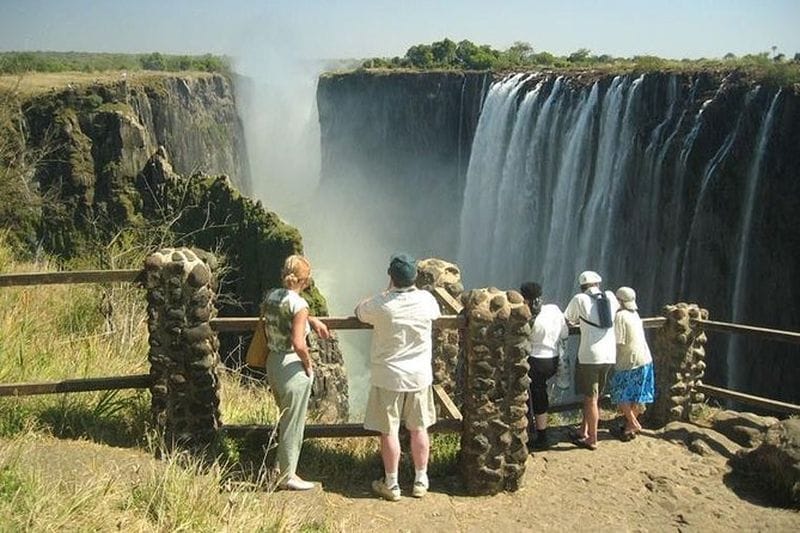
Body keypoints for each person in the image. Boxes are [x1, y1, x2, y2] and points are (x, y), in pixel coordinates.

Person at [354, 253, 441, 501]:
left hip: (388, 376)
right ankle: (421, 480)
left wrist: (385, 291)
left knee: (389, 431)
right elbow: (435, 314)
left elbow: (359, 310)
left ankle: (392, 484)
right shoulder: (427, 300)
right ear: (415, 276)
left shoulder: (381, 304)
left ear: (391, 277)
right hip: (419, 376)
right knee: (419, 428)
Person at [261, 254, 330, 490]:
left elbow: (285, 313)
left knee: (285, 419)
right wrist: (308, 365)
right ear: (304, 280)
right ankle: (288, 476)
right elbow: (299, 343)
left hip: (273, 362)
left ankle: (281, 469)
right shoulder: (300, 304)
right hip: (291, 366)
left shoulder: (270, 296)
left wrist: (311, 319)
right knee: (294, 424)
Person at [563, 270, 619, 450]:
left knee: (591, 398)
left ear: (582, 286)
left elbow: (568, 319)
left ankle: (592, 439)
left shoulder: (580, 299)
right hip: (610, 354)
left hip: (590, 356)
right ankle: (583, 430)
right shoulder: (610, 296)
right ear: (598, 284)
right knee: (595, 396)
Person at [519, 281, 569, 451]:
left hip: (535, 361)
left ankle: (537, 434)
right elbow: (565, 333)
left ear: (524, 299)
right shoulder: (554, 310)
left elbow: (523, 341)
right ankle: (538, 431)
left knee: (531, 396)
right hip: (553, 360)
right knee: (540, 395)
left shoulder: (530, 318)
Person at [609, 286, 655, 440]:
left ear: (619, 301)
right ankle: (629, 428)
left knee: (619, 392)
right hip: (645, 358)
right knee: (637, 394)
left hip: (629, 361)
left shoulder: (620, 316)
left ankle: (634, 423)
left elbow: (619, 341)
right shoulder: (635, 314)